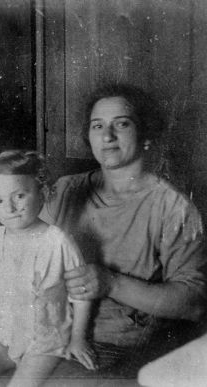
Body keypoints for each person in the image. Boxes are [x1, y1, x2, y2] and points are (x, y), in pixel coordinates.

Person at [41, 84, 207, 377]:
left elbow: (195, 303)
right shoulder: (66, 190)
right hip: (50, 332)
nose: (107, 136)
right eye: (98, 126)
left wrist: (112, 284)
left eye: (122, 124)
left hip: (118, 349)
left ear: (145, 136)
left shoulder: (172, 207)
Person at [0, 150, 96, 387]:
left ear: (41, 192)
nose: (10, 207)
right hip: (0, 335)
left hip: (44, 339)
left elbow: (81, 295)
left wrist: (78, 339)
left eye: (19, 195)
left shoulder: (58, 240)